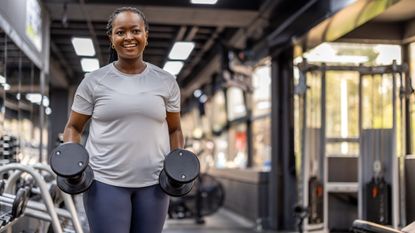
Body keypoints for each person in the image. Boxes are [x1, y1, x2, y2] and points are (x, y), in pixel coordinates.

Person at [62, 7, 184, 233]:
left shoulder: (166, 82)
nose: (129, 37)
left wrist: (178, 165)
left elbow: (175, 130)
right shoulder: (94, 81)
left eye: (135, 31)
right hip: (104, 182)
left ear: (146, 35)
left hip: (155, 183)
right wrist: (71, 159)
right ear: (111, 38)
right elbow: (74, 127)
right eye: (121, 32)